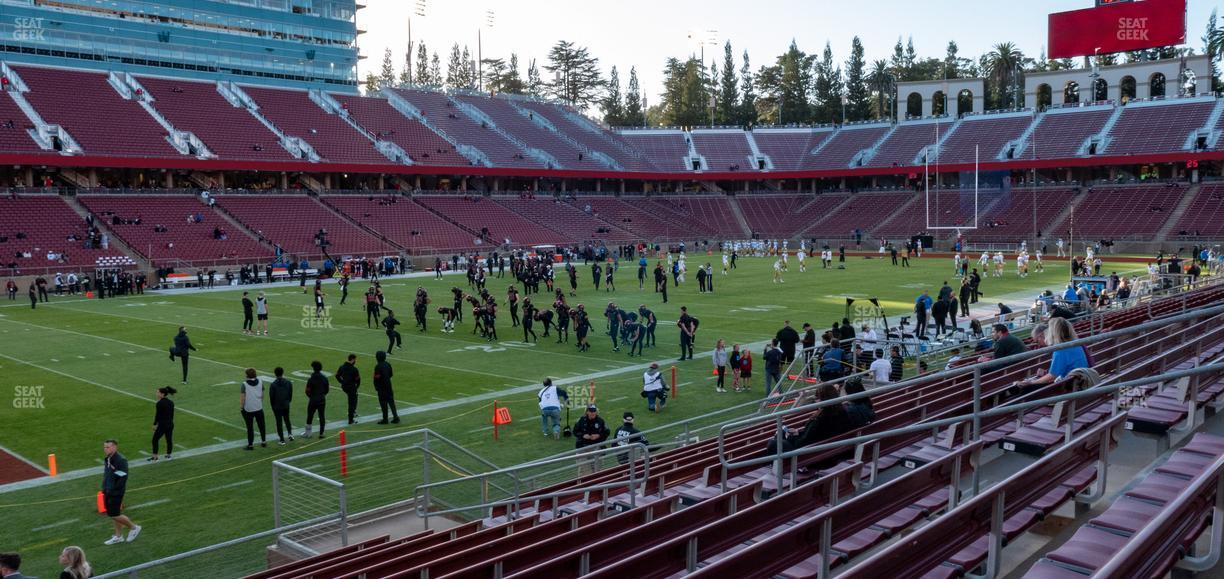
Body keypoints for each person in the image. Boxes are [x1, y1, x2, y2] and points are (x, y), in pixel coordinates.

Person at [764, 385, 850, 455]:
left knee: (773, 442)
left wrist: (789, 437)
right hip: (824, 449)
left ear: (824, 399)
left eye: (818, 398)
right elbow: (813, 435)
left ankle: (777, 466)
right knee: (780, 435)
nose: (816, 401)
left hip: (808, 453)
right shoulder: (842, 412)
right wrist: (798, 432)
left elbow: (802, 442)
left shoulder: (821, 418)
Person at [1014, 317, 1090, 390]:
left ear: (1053, 333)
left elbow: (1052, 376)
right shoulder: (1076, 345)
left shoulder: (1060, 350)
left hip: (1071, 387)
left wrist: (1031, 382)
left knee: (1025, 388)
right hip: (1080, 382)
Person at [101, 439, 141, 545]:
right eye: (104, 447)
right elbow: (108, 474)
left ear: (115, 447)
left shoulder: (120, 460)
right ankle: (118, 536)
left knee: (114, 514)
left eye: (108, 447)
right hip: (108, 490)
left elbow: (122, 478)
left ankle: (134, 527)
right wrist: (105, 487)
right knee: (113, 514)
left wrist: (113, 491)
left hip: (115, 492)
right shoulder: (108, 458)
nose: (105, 449)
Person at [573, 405, 610, 475]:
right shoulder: (581, 420)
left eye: (594, 411)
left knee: (597, 470)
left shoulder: (601, 421)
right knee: (584, 472)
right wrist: (583, 435)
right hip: (582, 448)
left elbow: (607, 432)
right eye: (591, 411)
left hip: (596, 448)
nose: (593, 413)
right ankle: (583, 485)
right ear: (587, 412)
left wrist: (598, 435)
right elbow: (575, 431)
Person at [238, 368, 268, 450]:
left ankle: (250, 445)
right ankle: (264, 442)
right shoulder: (260, 382)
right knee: (262, 425)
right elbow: (262, 395)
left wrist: (241, 407)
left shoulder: (244, 384)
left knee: (250, 427)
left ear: (247, 375)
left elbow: (242, 398)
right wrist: (259, 403)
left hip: (248, 409)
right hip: (259, 407)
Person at [302, 361, 329, 439]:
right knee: (322, 416)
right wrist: (322, 395)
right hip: (322, 399)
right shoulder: (324, 378)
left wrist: (311, 397)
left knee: (310, 415)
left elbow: (307, 391)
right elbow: (327, 390)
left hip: (313, 399)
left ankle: (308, 433)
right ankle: (322, 433)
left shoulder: (311, 379)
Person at [149, 386, 176, 462]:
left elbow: (158, 415)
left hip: (163, 424)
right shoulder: (171, 402)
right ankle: (168, 455)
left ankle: (155, 457)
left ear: (162, 394)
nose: (156, 394)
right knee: (169, 439)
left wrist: (155, 424)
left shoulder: (159, 403)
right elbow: (171, 415)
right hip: (170, 423)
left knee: (155, 439)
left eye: (158, 392)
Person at [372, 350, 399, 424]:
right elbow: (391, 374)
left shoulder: (378, 366)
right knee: (391, 402)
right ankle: (396, 417)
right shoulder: (387, 364)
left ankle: (385, 419)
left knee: (383, 403)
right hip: (388, 386)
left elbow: (376, 378)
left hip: (382, 387)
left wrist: (376, 386)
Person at [269, 367, 294, 445]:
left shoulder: (273, 384)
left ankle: (282, 440)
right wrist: (288, 401)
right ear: (283, 373)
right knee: (287, 419)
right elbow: (290, 394)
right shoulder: (288, 382)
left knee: (279, 422)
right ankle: (290, 434)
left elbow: (271, 397)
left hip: (277, 406)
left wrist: (273, 406)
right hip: (286, 404)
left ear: (275, 374)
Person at [336, 354, 361, 424]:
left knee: (353, 398)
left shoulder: (342, 367)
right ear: (352, 359)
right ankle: (351, 419)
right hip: (351, 387)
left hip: (344, 386)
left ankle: (353, 412)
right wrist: (356, 387)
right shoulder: (354, 369)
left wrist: (342, 382)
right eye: (355, 360)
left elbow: (337, 375)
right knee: (352, 402)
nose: (355, 361)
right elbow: (358, 380)